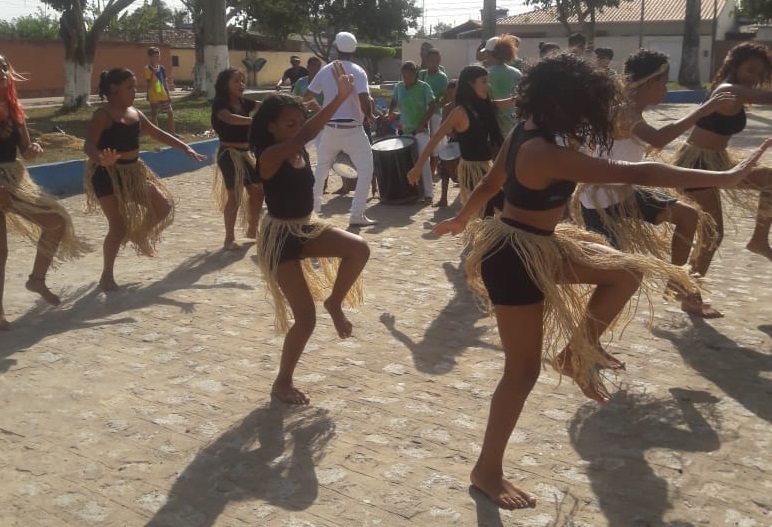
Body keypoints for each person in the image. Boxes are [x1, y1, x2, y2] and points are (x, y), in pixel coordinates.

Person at [430, 52, 770, 510]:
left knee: (626, 272)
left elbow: (490, 187)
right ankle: (486, 470)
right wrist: (724, 176)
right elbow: (639, 173)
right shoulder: (541, 150)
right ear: (567, 102)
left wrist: (460, 217)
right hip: (514, 256)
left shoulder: (531, 133)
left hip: (539, 244)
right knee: (521, 371)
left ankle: (575, 354)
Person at [576, 49, 738, 318]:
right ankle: (586, 341)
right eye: (663, 82)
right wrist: (704, 109)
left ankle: (676, 283)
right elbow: (658, 138)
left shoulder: (629, 107)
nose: (664, 89)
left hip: (626, 193)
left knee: (688, 216)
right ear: (649, 82)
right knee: (616, 277)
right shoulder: (623, 109)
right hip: (600, 202)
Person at [249, 61, 370, 405]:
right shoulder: (271, 155)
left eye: (298, 121)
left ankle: (335, 301)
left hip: (306, 226)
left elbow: (305, 134)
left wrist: (341, 99)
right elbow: (308, 134)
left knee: (359, 249)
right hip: (280, 239)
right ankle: (282, 382)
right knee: (305, 319)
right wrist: (339, 99)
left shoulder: (297, 145)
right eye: (289, 123)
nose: (297, 128)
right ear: (271, 128)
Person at [83, 67, 206, 291]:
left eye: (135, 86)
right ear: (114, 89)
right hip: (107, 175)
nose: (135, 90)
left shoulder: (135, 112)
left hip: (133, 173)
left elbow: (157, 133)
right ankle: (107, 275)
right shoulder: (103, 115)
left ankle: (134, 234)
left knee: (163, 206)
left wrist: (184, 146)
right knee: (117, 226)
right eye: (130, 86)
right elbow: (88, 145)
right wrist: (102, 159)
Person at [672, 42, 772, 314]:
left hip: (718, 163)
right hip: (698, 165)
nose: (753, 77)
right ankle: (689, 295)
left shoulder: (736, 91)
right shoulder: (728, 89)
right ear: (735, 65)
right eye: (750, 69)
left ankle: (759, 240)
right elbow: (766, 97)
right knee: (713, 233)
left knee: (770, 179)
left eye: (758, 73)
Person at [0, 54, 90, 328]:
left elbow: (25, 151)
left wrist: (33, 150)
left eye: (5, 66)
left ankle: (36, 279)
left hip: (13, 179)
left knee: (56, 220)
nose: (2, 71)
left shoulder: (15, 110)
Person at [407, 65, 513, 217]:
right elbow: (434, 140)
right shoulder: (460, 112)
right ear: (471, 84)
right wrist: (417, 168)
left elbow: (509, 102)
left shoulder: (484, 107)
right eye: (483, 81)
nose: (487, 85)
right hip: (473, 173)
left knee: (494, 214)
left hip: (487, 170)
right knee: (500, 211)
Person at [304, 31, 379, 227]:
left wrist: (322, 110)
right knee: (366, 169)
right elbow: (363, 99)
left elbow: (307, 96)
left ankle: (313, 212)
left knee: (321, 169)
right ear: (354, 50)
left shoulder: (326, 69)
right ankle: (356, 214)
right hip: (353, 129)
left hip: (330, 128)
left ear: (336, 48)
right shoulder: (358, 71)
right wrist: (370, 115)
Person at [211, 67, 264, 250]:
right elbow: (230, 119)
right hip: (228, 155)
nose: (241, 84)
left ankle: (252, 228)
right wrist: (254, 121)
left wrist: (278, 103)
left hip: (245, 155)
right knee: (234, 196)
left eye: (242, 80)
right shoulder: (220, 104)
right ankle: (229, 239)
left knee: (258, 192)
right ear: (225, 85)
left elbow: (261, 106)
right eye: (235, 81)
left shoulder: (244, 102)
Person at [388, 61, 437, 204]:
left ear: (415, 74)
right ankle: (407, 192)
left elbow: (432, 107)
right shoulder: (399, 87)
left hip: (420, 132)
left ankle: (428, 194)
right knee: (403, 162)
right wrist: (388, 112)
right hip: (403, 131)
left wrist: (422, 125)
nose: (406, 78)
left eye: (409, 75)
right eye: (403, 75)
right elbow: (393, 102)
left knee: (424, 162)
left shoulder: (424, 87)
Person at [419, 48, 449, 178]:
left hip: (435, 113)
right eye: (432, 60)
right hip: (421, 112)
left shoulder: (442, 77)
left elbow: (446, 96)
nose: (434, 63)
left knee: (435, 142)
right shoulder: (421, 74)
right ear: (426, 61)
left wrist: (436, 106)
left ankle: (431, 172)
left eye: (437, 60)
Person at [484, 35, 522, 135]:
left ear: (489, 53)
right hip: (515, 126)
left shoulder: (485, 75)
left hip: (495, 128)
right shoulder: (517, 73)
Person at [435, 80, 459, 207]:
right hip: (453, 140)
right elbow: (443, 125)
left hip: (467, 141)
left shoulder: (466, 106)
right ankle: (443, 198)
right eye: (450, 94)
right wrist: (450, 131)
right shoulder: (447, 107)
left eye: (454, 93)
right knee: (444, 166)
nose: (452, 96)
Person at [144, 47, 177, 137]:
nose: (157, 58)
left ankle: (172, 132)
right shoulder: (147, 68)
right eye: (155, 56)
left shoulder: (162, 68)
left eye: (158, 56)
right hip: (153, 94)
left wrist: (168, 94)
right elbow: (149, 83)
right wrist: (153, 73)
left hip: (162, 93)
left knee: (170, 112)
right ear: (150, 57)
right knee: (154, 114)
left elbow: (165, 81)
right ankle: (157, 134)